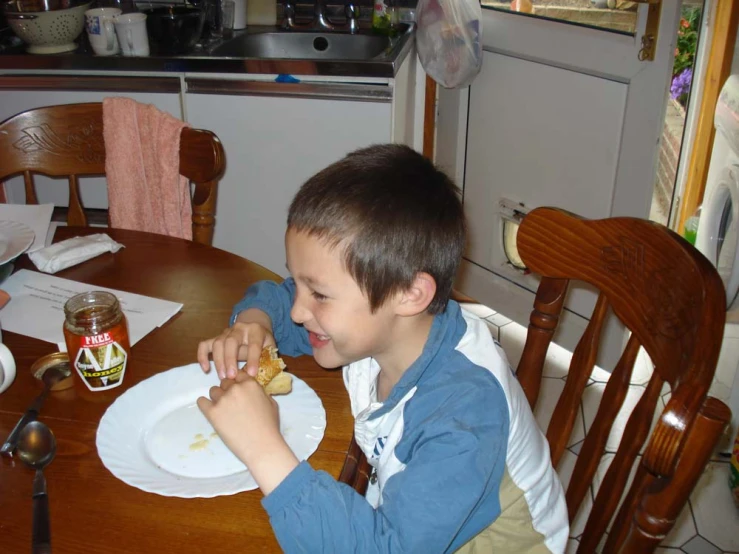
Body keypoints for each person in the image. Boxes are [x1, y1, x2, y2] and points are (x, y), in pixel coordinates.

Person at [196, 144, 568, 553]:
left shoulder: (462, 416)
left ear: (409, 294)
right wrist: (254, 322)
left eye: (318, 294)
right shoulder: (390, 326)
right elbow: (282, 303)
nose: (300, 311)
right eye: (300, 284)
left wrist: (262, 448)